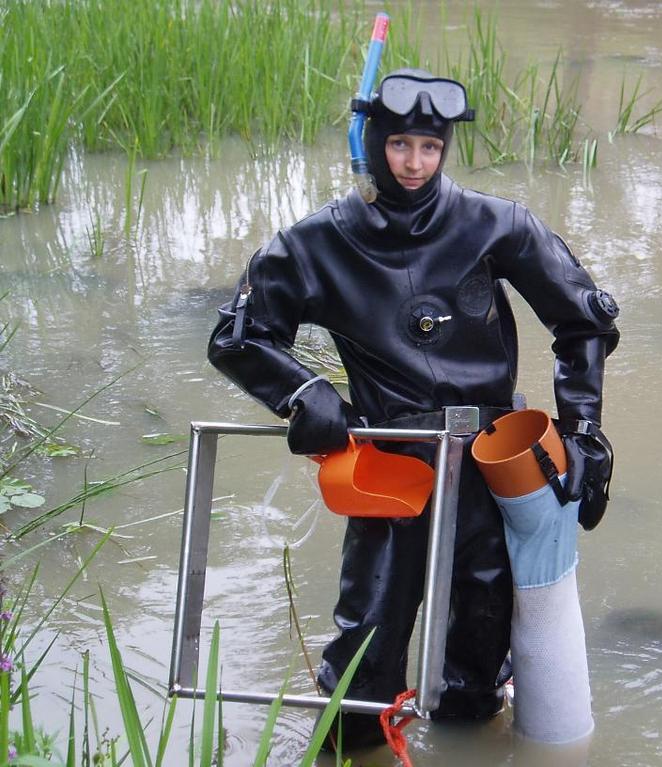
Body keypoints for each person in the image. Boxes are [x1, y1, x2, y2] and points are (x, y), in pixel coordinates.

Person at [207, 69, 619, 750]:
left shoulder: (497, 224)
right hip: (389, 464)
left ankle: (468, 737)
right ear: (373, 139)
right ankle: (354, 743)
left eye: (430, 147)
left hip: (489, 465)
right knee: (368, 635)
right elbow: (239, 336)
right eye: (400, 144)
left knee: (482, 632)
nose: (415, 163)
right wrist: (303, 391)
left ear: (446, 147)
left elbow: (586, 320)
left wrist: (582, 432)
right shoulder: (320, 242)